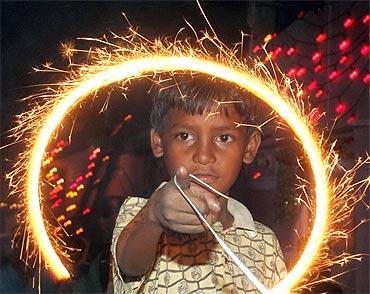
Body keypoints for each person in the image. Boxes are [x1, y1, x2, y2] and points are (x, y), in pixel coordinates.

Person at [110, 74, 287, 293]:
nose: (204, 156)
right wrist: (154, 217)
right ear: (158, 142)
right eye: (185, 136)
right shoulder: (140, 214)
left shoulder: (265, 242)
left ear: (249, 147)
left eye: (224, 138)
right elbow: (130, 264)